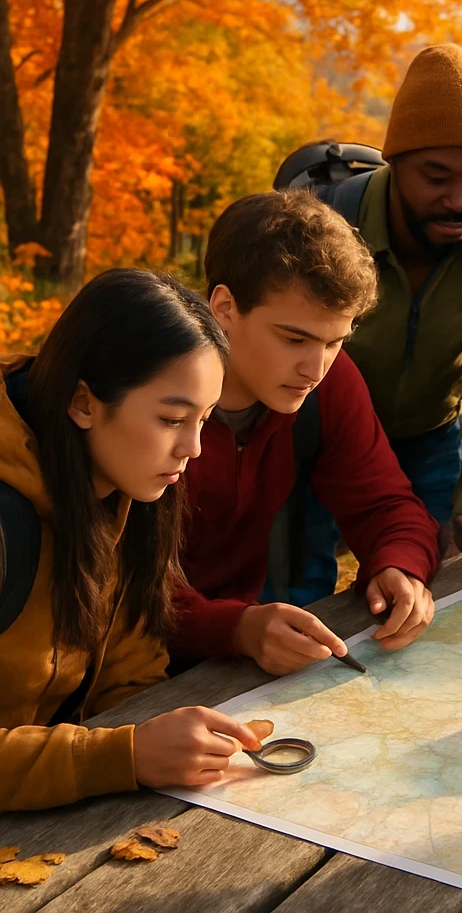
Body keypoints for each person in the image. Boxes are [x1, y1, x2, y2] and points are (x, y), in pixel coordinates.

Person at [0, 269, 264, 811]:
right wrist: (122, 755)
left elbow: (129, 659)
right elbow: (117, 751)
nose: (193, 448)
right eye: (172, 419)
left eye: (206, 419)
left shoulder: (121, 482)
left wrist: (159, 729)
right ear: (84, 402)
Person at [170, 190, 440, 676]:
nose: (315, 368)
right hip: (105, 676)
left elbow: (386, 505)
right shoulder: (151, 388)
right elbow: (108, 582)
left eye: (335, 341)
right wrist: (235, 628)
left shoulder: (329, 382)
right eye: (294, 338)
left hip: (233, 659)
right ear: (225, 307)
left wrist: (398, 565)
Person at [292, 44, 462, 559]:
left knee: (423, 593)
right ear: (394, 165)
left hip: (431, 439)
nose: (460, 200)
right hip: (314, 437)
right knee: (301, 597)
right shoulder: (324, 228)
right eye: (436, 177)